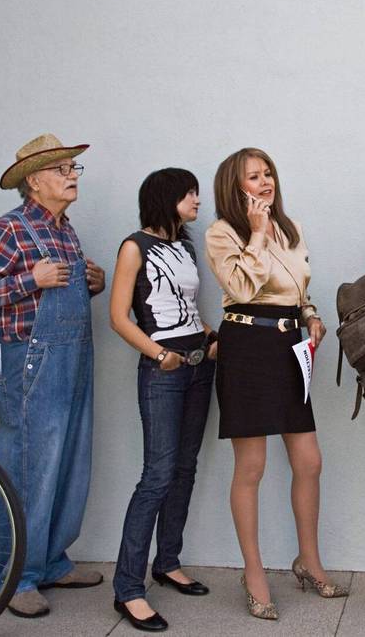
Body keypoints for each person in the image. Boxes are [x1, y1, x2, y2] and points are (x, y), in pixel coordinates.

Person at [0, 133, 107, 618]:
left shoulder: (66, 230)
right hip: (30, 362)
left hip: (74, 360)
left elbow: (64, 292)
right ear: (34, 181)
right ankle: (16, 577)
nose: (71, 176)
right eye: (62, 169)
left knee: (69, 463)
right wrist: (32, 280)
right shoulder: (10, 228)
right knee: (27, 469)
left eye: (73, 168)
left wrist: (92, 283)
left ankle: (52, 563)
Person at [204, 147, 347, 620]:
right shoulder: (221, 233)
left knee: (309, 460)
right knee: (252, 466)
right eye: (253, 176)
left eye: (268, 174)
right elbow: (244, 289)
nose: (265, 182)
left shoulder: (293, 228)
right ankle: (254, 572)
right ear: (234, 185)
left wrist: (311, 316)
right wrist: (258, 233)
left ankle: (309, 561)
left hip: (289, 349)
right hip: (245, 346)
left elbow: (298, 288)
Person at [109, 168, 218, 632]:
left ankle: (167, 561)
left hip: (200, 363)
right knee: (156, 475)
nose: (197, 200)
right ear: (166, 197)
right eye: (189, 193)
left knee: (185, 468)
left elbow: (188, 307)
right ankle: (128, 589)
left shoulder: (185, 246)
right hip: (164, 369)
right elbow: (118, 316)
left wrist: (211, 335)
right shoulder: (134, 246)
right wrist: (158, 354)